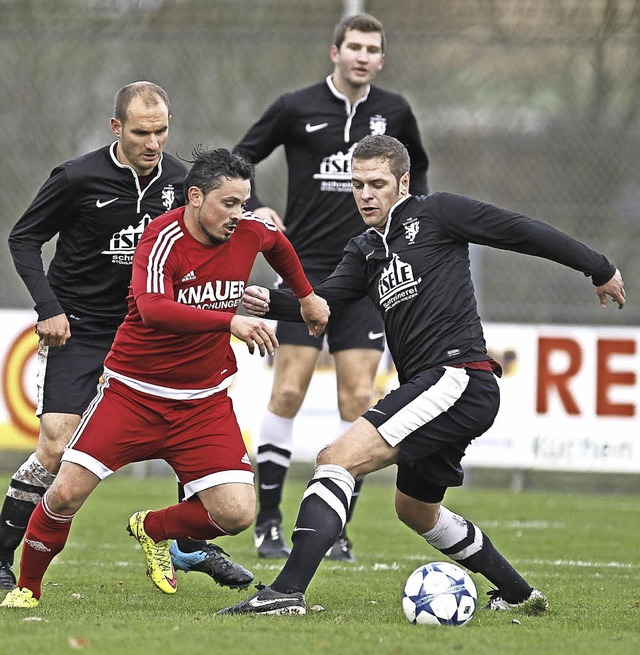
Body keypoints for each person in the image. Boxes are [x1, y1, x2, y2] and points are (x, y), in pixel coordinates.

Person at [218, 134, 626, 616]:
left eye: (377, 184)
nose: (365, 194)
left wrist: (596, 266)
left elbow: (521, 230)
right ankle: (519, 594)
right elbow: (324, 305)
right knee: (415, 510)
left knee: (336, 457)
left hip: (457, 376)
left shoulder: (438, 214)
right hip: (441, 388)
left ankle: (286, 592)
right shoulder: (366, 249)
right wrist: (270, 301)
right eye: (357, 185)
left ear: (403, 182)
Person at [0, 146, 330, 609]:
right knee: (66, 492)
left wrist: (307, 296)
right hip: (133, 396)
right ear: (194, 197)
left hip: (203, 404)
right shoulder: (161, 237)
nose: (239, 215)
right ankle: (26, 589)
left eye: (244, 203)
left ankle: (152, 528)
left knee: (237, 513)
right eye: (228, 204)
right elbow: (154, 310)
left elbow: (276, 243)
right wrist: (229, 320)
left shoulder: (249, 230)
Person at [0, 81, 248, 593]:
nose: (153, 142)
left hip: (151, 334)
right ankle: (3, 557)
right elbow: (24, 239)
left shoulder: (185, 183)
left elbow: (216, 242)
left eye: (161, 131)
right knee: (54, 445)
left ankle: (187, 546)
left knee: (189, 430)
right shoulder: (76, 177)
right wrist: (48, 308)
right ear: (117, 128)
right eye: (141, 132)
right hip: (82, 330)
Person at [233, 13, 429, 561]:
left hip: (370, 273)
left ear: (382, 60)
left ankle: (335, 524)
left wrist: (411, 234)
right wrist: (253, 207)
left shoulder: (395, 113)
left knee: (357, 398)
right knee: (289, 390)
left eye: (373, 49)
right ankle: (267, 521)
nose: (363, 56)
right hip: (308, 270)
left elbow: (419, 176)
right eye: (354, 47)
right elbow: (240, 159)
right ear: (334, 52)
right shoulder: (296, 107)